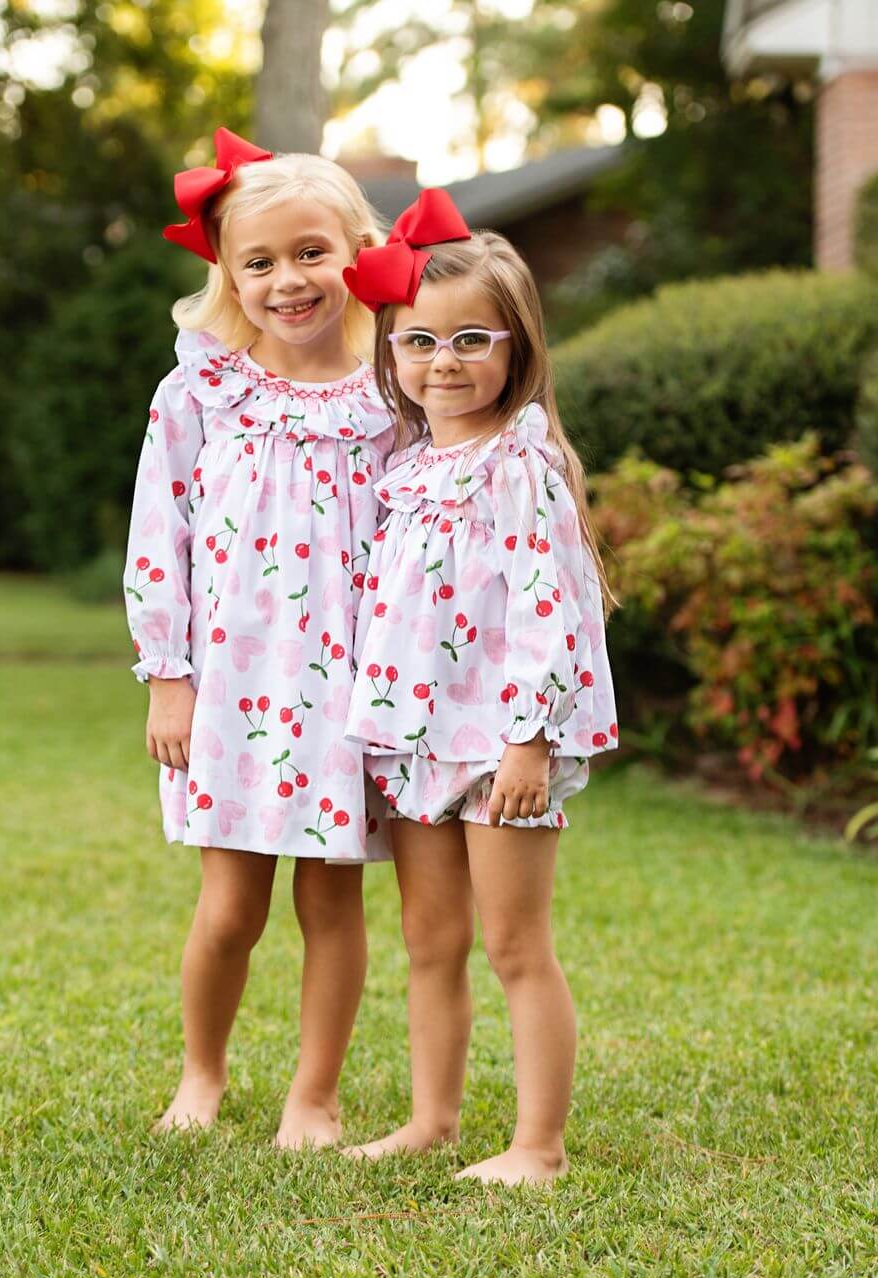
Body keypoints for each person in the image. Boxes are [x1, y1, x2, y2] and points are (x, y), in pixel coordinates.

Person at [124, 128, 394, 1146]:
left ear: (357, 251)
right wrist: (167, 675)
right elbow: (162, 536)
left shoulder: (394, 393)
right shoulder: (199, 395)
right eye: (261, 261)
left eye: (312, 252)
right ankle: (203, 1072)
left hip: (350, 689)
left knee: (333, 903)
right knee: (231, 907)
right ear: (229, 274)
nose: (289, 279)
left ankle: (313, 1095)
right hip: (234, 687)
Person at [342, 190, 618, 1185]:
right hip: (416, 734)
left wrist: (528, 739)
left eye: (470, 338)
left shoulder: (521, 461)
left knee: (513, 942)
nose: (443, 361)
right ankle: (432, 1118)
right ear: (392, 353)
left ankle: (537, 1144)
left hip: (500, 740)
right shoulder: (410, 464)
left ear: (517, 347)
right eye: (418, 341)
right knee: (430, 938)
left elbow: (547, 601)